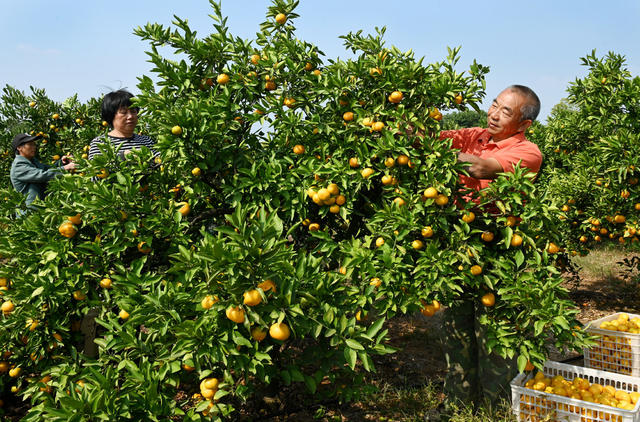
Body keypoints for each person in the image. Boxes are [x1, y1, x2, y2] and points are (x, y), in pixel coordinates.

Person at [436, 85, 542, 409]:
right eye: (494, 105)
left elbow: (481, 168)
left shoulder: (528, 152)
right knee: (456, 329)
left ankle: (498, 409)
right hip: (459, 244)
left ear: (523, 124)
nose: (494, 114)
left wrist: (432, 152)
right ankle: (459, 405)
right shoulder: (474, 135)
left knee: (494, 334)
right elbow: (429, 138)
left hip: (500, 250)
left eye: (505, 112)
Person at [10, 133, 77, 212]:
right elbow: (42, 175)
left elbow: (48, 169)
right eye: (30, 145)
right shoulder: (19, 166)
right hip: (30, 213)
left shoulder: (32, 162)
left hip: (42, 208)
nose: (34, 147)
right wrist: (65, 168)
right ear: (19, 148)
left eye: (34, 144)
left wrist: (62, 163)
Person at [88, 89, 158, 160]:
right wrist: (122, 157)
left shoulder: (146, 140)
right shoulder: (100, 143)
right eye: (123, 112)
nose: (130, 116)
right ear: (111, 115)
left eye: (133, 111)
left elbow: (159, 162)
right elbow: (97, 169)